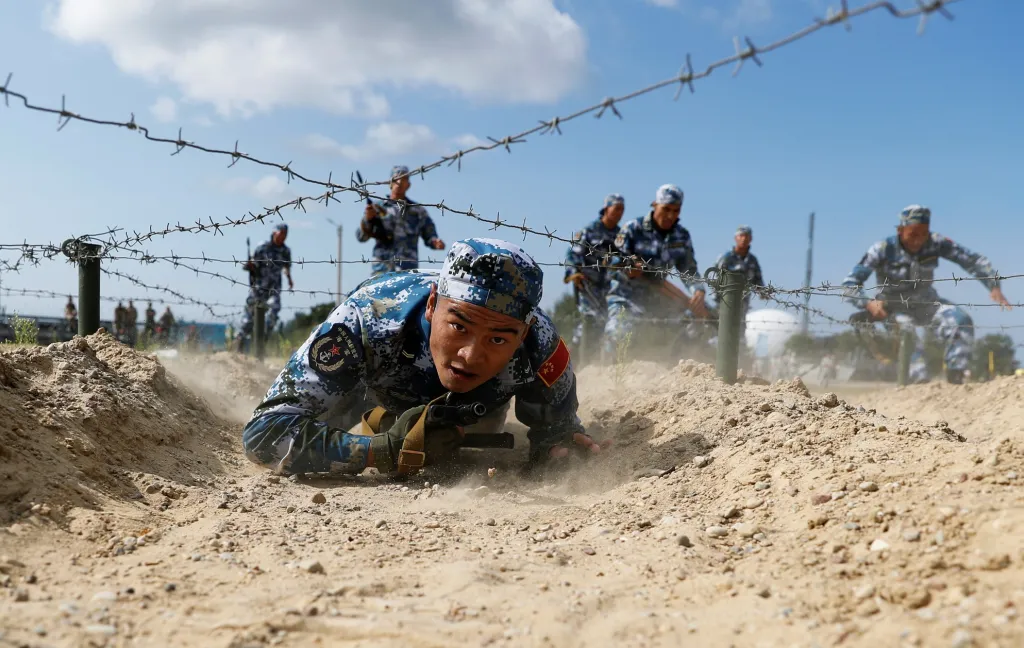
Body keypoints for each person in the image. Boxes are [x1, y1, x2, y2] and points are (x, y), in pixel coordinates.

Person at [241, 238, 609, 478]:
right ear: (433, 304)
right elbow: (264, 433)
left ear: (522, 333)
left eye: (497, 338)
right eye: (459, 327)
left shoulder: (540, 343)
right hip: (370, 392)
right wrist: (380, 450)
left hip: (478, 410)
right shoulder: (367, 318)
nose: (469, 355)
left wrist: (557, 449)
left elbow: (559, 434)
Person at [841, 204, 1010, 384]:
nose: (918, 240)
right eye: (912, 234)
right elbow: (849, 284)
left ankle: (956, 380)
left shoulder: (936, 242)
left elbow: (971, 260)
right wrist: (867, 303)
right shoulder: (882, 249)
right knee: (909, 338)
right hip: (895, 309)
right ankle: (917, 388)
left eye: (923, 234)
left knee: (961, 321)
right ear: (900, 230)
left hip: (928, 304)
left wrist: (993, 284)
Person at [602, 184, 708, 360]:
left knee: (700, 322)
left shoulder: (681, 236)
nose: (670, 215)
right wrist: (628, 267)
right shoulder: (632, 228)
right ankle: (606, 372)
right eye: (666, 209)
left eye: (676, 211)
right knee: (619, 332)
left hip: (660, 299)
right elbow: (610, 260)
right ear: (655, 205)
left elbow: (689, 270)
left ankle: (677, 367)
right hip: (625, 298)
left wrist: (698, 290)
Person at [563, 193, 625, 366]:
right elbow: (572, 253)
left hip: (609, 287)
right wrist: (573, 272)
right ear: (606, 209)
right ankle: (574, 363)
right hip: (587, 285)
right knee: (589, 323)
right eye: (616, 208)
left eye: (622, 209)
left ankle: (597, 365)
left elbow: (624, 258)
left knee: (607, 325)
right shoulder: (590, 230)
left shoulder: (621, 235)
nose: (619, 213)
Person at [356, 165, 445, 276]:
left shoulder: (418, 211)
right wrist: (368, 219)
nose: (399, 182)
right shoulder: (376, 208)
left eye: (403, 179)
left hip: (407, 272)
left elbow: (430, 235)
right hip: (382, 270)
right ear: (390, 183)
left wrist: (435, 242)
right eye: (396, 179)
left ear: (408, 185)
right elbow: (361, 237)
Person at [710, 225, 766, 356]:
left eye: (747, 236)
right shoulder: (726, 257)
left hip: (742, 303)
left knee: (740, 331)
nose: (744, 239)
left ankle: (739, 359)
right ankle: (715, 358)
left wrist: (763, 292)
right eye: (741, 236)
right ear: (736, 238)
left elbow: (758, 279)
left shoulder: (752, 260)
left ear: (750, 239)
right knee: (721, 330)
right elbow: (715, 278)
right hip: (724, 302)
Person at [239, 223, 294, 351]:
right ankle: (240, 341)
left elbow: (286, 267)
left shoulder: (286, 251)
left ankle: (262, 339)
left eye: (285, 234)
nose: (283, 237)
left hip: (274, 288)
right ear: (275, 233)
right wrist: (250, 266)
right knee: (249, 318)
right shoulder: (262, 247)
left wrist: (290, 279)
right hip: (258, 287)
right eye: (281, 233)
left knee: (274, 310)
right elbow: (251, 264)